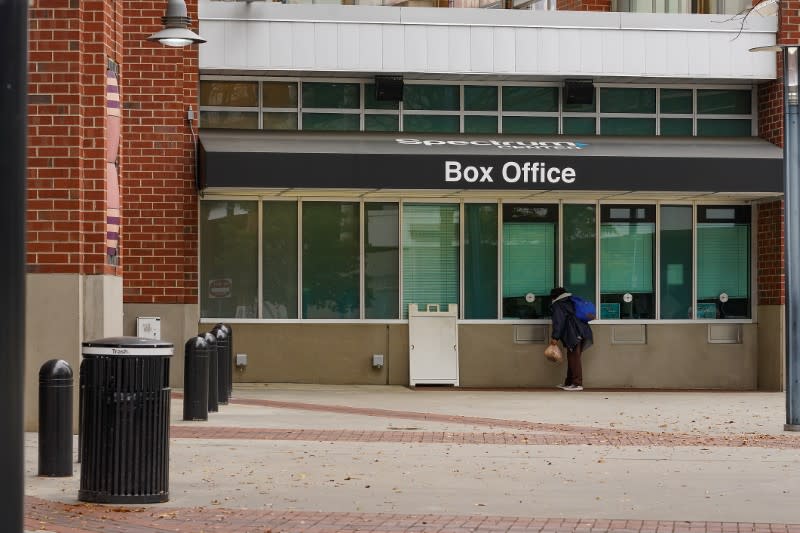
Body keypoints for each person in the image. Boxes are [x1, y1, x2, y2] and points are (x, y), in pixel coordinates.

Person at [549, 286, 593, 391]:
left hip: (574, 333)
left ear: (554, 296)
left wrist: (555, 337)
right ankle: (569, 382)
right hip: (583, 331)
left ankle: (577, 383)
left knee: (574, 357)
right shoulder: (571, 301)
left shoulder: (559, 304)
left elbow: (558, 322)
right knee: (572, 357)